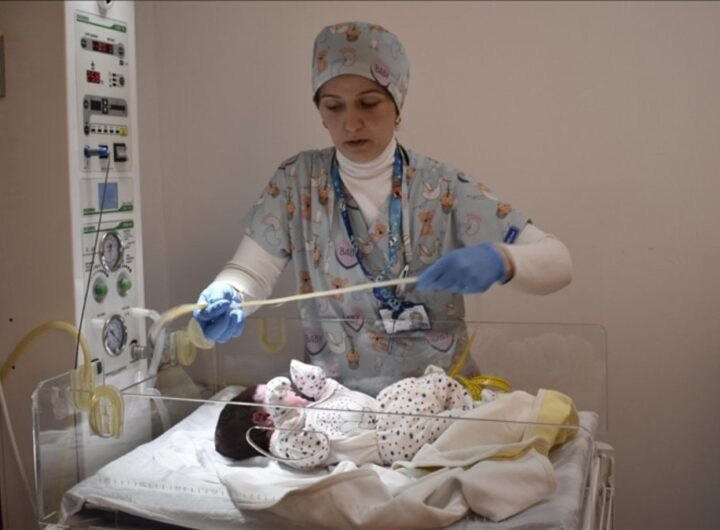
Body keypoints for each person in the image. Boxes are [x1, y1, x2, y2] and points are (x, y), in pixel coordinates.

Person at [194, 21, 573, 396]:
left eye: (369, 103)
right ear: (320, 111)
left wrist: (503, 260)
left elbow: (558, 262)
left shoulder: (442, 188)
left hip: (439, 402)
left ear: (397, 105)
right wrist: (228, 293)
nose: (351, 123)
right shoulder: (298, 182)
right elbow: (251, 271)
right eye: (333, 106)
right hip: (337, 405)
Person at [215, 359, 475, 470]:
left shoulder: (307, 411)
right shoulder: (284, 444)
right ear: (265, 417)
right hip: (388, 440)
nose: (291, 390)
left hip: (382, 406)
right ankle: (473, 417)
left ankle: (463, 402)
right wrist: (286, 418)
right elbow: (314, 447)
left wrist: (317, 385)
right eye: (280, 396)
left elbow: (336, 396)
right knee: (445, 424)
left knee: (429, 384)